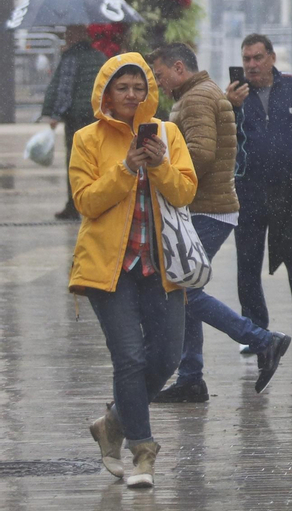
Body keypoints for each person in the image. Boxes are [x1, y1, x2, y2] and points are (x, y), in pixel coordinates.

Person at [72, 53, 198, 489]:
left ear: (149, 92)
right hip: (111, 270)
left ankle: (111, 424)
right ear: (106, 93)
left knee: (165, 358)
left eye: (138, 87)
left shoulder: (168, 133)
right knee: (128, 358)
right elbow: (86, 201)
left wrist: (159, 163)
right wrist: (126, 167)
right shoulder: (87, 139)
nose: (130, 95)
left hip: (162, 267)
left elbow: (185, 192)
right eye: (121, 88)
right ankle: (143, 451)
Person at [148, 44, 292, 403]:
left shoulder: (196, 98)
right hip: (207, 207)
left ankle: (263, 340)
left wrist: (158, 168)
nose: (159, 83)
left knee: (183, 290)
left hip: (207, 208)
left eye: (160, 75)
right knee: (182, 288)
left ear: (178, 67)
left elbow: (199, 154)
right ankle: (191, 378)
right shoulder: (199, 93)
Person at [225, 34, 292, 355]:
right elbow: (218, 133)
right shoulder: (233, 95)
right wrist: (229, 107)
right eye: (246, 59)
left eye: (257, 58)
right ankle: (254, 331)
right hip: (248, 189)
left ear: (271, 58)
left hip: (289, 188)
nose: (252, 66)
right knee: (247, 262)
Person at [41, 24, 107, 220]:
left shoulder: (71, 57)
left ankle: (74, 204)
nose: (66, 37)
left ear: (76, 35)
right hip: (97, 116)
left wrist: (54, 114)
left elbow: (64, 88)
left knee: (75, 162)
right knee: (98, 161)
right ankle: (98, 201)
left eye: (69, 33)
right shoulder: (99, 56)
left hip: (76, 118)